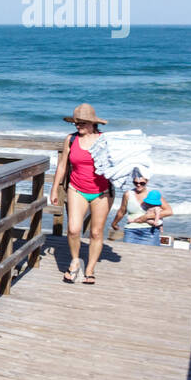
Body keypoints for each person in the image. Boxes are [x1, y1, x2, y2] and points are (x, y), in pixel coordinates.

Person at [49, 103, 112, 284]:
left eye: (82, 122)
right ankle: (75, 260)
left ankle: (90, 268)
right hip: (76, 189)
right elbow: (62, 166)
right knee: (73, 229)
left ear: (93, 123)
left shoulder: (105, 140)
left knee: (96, 232)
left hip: (102, 192)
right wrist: (54, 189)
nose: (78, 126)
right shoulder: (71, 139)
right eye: (76, 123)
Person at [111, 167, 173, 246]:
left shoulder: (153, 194)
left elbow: (169, 211)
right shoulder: (128, 194)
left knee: (149, 256)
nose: (138, 185)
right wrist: (114, 223)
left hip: (150, 230)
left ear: (147, 181)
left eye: (142, 183)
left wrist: (146, 217)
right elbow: (122, 211)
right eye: (135, 183)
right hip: (131, 230)